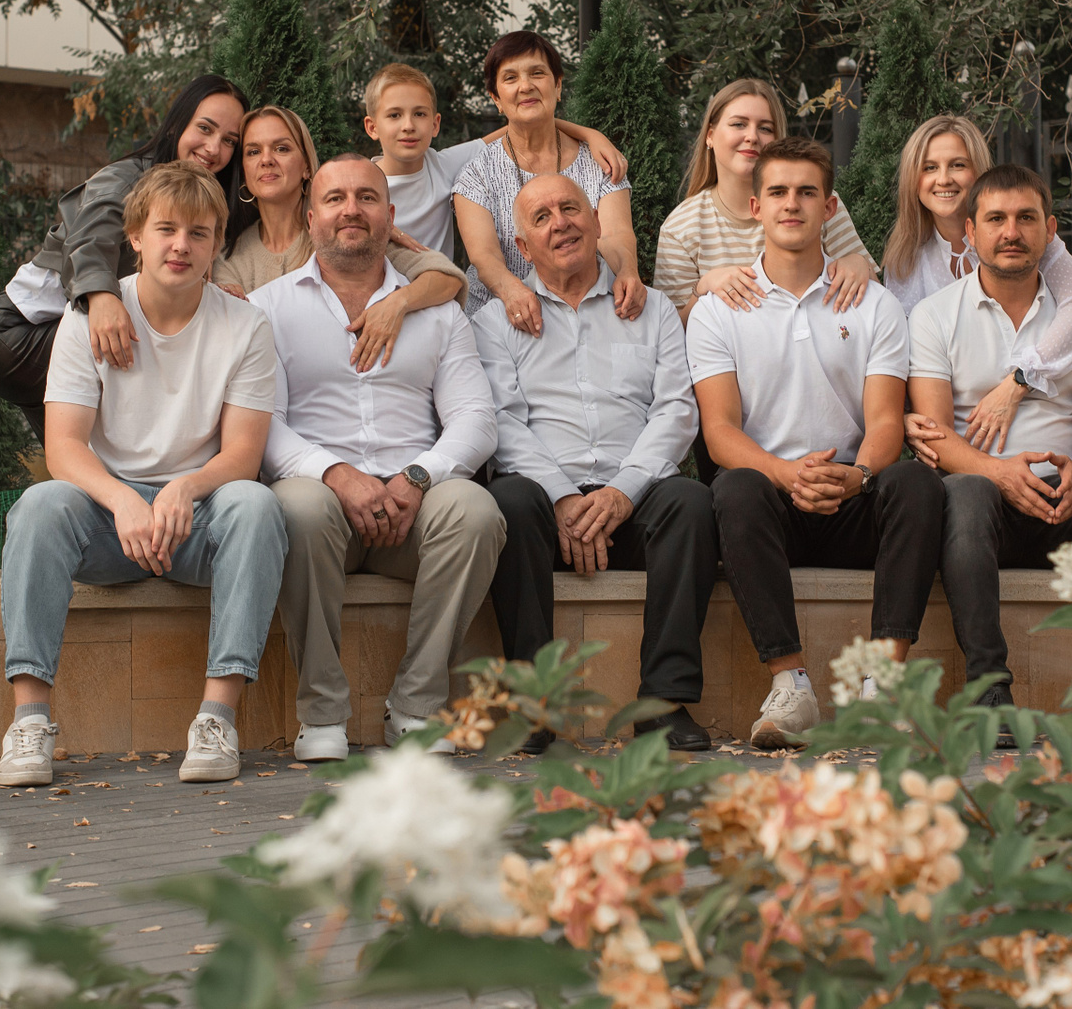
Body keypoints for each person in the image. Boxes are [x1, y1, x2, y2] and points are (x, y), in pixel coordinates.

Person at [0, 163, 286, 788]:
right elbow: (63, 446)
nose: (182, 245)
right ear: (135, 236)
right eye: (166, 229)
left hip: (195, 522)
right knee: (40, 507)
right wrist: (121, 499)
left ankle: (216, 720)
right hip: (110, 524)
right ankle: (29, 723)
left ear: (217, 243)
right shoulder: (88, 318)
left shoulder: (246, 326)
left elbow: (243, 454)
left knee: (256, 506)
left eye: (199, 233)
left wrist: (186, 487)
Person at [685, 136, 945, 750]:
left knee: (916, 482)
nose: (791, 204)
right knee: (734, 487)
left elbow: (885, 421)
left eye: (807, 192)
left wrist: (858, 476)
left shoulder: (875, 304)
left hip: (854, 496)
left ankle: (884, 687)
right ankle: (792, 687)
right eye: (778, 192)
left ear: (829, 207)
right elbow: (719, 431)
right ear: (756, 207)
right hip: (769, 503)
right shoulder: (719, 311)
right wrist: (786, 474)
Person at [254, 155, 506, 763]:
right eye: (335, 198)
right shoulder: (267, 309)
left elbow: (477, 419)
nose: (351, 210)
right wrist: (336, 474)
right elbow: (261, 425)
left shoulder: (439, 312)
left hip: (411, 507)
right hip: (321, 504)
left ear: (390, 217)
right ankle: (321, 713)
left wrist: (418, 477)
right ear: (310, 218)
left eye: (366, 198)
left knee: (475, 512)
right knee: (297, 508)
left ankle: (417, 706)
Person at [907, 163, 1072, 723]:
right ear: (970, 231)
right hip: (984, 512)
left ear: (1050, 230)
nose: (1011, 232)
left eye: (1026, 218)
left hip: (1068, 502)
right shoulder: (933, 317)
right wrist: (999, 474)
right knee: (964, 492)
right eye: (995, 219)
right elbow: (935, 436)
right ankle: (989, 690)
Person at [473, 174, 716, 754]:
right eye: (541, 217)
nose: (560, 223)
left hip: (634, 500)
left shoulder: (652, 309)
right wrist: (561, 495)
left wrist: (623, 492)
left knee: (692, 502)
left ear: (597, 221)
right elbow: (501, 421)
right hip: (543, 509)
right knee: (508, 501)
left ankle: (663, 702)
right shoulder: (495, 322)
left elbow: (677, 409)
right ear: (522, 246)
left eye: (570, 208)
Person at [0, 75, 248, 438]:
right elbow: (87, 241)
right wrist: (100, 296)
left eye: (229, 140)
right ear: (177, 124)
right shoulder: (127, 178)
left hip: (53, 330)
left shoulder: (203, 199)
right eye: (205, 128)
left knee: (81, 455)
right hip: (18, 335)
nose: (214, 148)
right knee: (148, 343)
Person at [881, 115, 1072, 457]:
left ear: (978, 172)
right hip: (958, 439)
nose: (944, 178)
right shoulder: (904, 261)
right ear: (914, 179)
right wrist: (903, 415)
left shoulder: (1021, 239)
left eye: (958, 165)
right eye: (929, 168)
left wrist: (1020, 380)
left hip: (1042, 421)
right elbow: (898, 354)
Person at [211, 104, 466, 370]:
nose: (266, 160)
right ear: (243, 169)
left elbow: (446, 278)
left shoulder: (342, 231)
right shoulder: (231, 257)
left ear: (307, 166)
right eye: (253, 152)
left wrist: (397, 304)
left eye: (282, 148)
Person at [453, 30, 646, 327]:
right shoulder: (476, 174)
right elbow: (485, 256)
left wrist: (628, 271)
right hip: (501, 318)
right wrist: (513, 291)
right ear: (496, 99)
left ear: (557, 86)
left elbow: (614, 235)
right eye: (510, 78)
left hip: (586, 314)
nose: (525, 86)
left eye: (537, 73)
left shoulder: (599, 162)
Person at [655, 79, 876, 322]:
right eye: (739, 124)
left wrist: (859, 265)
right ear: (710, 136)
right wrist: (704, 287)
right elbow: (670, 332)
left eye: (765, 128)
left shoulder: (813, 202)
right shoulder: (680, 229)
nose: (752, 137)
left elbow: (874, 296)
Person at [363, 62, 627, 259]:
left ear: (435, 124)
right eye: (394, 115)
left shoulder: (442, 165)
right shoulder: (360, 184)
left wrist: (591, 135)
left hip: (436, 298)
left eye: (419, 114)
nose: (408, 126)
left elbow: (519, 125)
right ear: (372, 127)